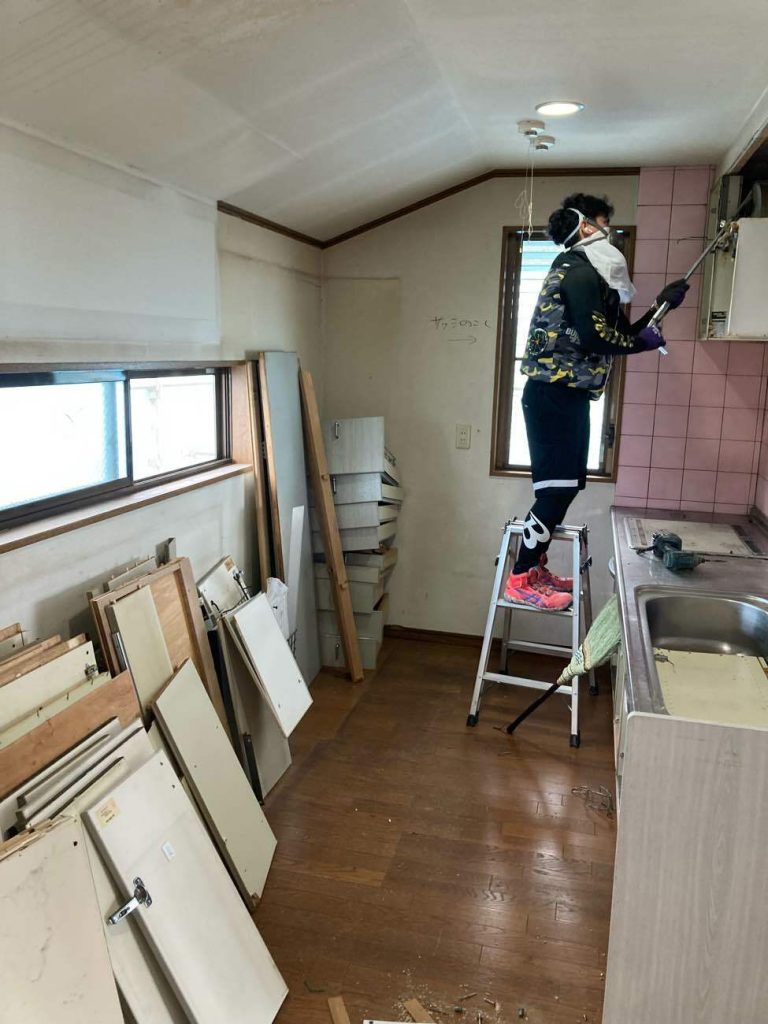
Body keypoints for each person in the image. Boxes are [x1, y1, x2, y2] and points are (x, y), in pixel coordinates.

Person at [505, 193, 688, 610]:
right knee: (555, 491)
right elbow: (596, 338)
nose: (610, 234)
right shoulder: (577, 271)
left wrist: (661, 306)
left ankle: (533, 568)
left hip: (568, 395)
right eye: (605, 224)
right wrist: (641, 342)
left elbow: (622, 335)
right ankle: (519, 577)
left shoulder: (594, 277)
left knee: (569, 486)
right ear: (585, 225)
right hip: (551, 393)